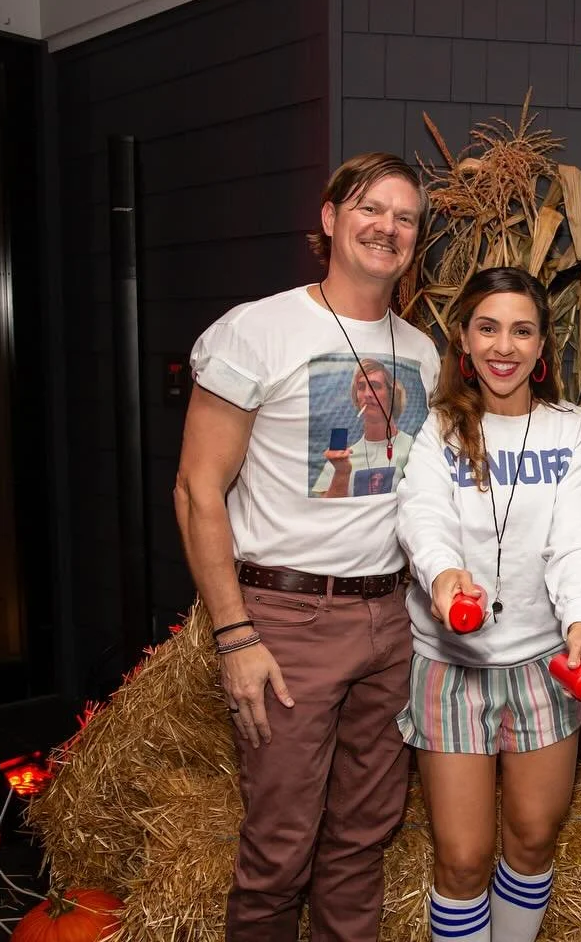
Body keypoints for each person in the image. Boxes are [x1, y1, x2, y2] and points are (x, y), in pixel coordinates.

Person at [174, 152, 439, 940]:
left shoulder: (422, 353)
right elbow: (196, 491)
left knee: (362, 842)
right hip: (286, 621)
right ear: (330, 219)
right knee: (279, 851)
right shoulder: (258, 330)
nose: (386, 227)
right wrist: (235, 633)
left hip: (390, 624)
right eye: (369, 208)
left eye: (404, 216)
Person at [395, 266, 581, 942]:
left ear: (544, 347)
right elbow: (424, 517)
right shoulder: (438, 431)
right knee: (461, 859)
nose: (504, 346)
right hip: (451, 664)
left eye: (522, 330)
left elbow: (575, 540)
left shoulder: (570, 433)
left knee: (534, 838)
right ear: (463, 336)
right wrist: (445, 575)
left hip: (544, 663)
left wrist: (580, 622)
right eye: (488, 327)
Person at [312, 358, 415, 497]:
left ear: (392, 395)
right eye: (361, 387)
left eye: (375, 386)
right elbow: (326, 513)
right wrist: (341, 473)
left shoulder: (414, 447)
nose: (367, 394)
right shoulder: (341, 459)